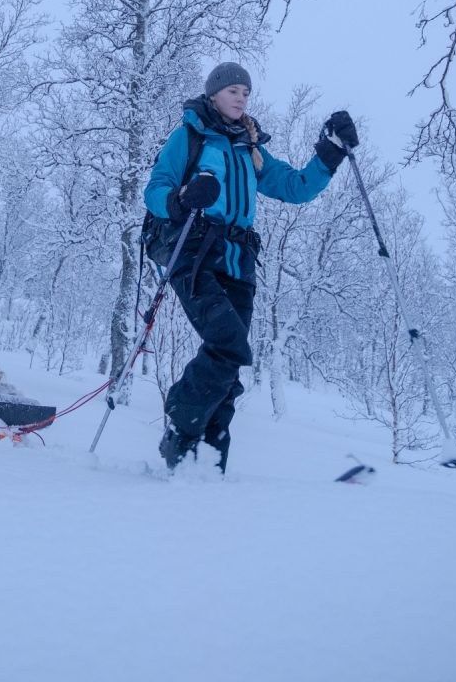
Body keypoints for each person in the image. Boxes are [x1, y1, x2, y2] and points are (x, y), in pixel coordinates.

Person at [144, 61, 358, 474]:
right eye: (233, 91)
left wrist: (329, 155)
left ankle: (208, 460)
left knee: (232, 360)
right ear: (214, 95)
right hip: (193, 256)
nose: (241, 98)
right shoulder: (189, 137)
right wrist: (184, 197)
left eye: (246, 92)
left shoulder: (250, 149)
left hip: (239, 264)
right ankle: (181, 432)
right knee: (228, 343)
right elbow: (156, 190)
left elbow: (295, 187)